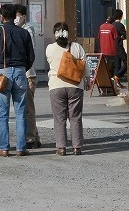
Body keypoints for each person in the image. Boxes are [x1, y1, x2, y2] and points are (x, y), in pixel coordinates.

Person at [0, 3, 34, 157]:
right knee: (20, 113)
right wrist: (22, 69)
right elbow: (31, 56)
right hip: (20, 72)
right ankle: (21, 148)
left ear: (2, 16)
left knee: (2, 114)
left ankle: (4, 148)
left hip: (2, 73)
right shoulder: (24, 33)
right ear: (15, 16)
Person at [46, 21, 86, 156]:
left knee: (59, 118)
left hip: (56, 86)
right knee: (75, 117)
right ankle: (77, 147)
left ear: (55, 34)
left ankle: (61, 147)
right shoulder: (77, 47)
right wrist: (89, 81)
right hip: (75, 86)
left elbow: (50, 62)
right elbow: (85, 67)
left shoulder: (50, 48)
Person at [14, 3, 41, 149]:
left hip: (28, 73)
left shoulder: (28, 30)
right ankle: (35, 136)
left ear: (24, 17)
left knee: (27, 108)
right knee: (25, 107)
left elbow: (30, 51)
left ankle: (30, 138)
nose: (16, 19)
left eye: (18, 16)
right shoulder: (19, 29)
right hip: (23, 72)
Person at [98, 14, 124, 89]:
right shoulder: (112, 27)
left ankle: (105, 83)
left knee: (105, 67)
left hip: (103, 50)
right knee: (114, 66)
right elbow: (115, 37)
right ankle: (113, 82)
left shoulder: (101, 26)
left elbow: (99, 36)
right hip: (111, 50)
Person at [111, 9, 128, 87]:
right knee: (127, 62)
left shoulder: (111, 25)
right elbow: (125, 35)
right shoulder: (120, 25)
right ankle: (117, 76)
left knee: (117, 65)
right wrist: (123, 36)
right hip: (119, 47)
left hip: (112, 47)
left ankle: (116, 84)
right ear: (121, 16)